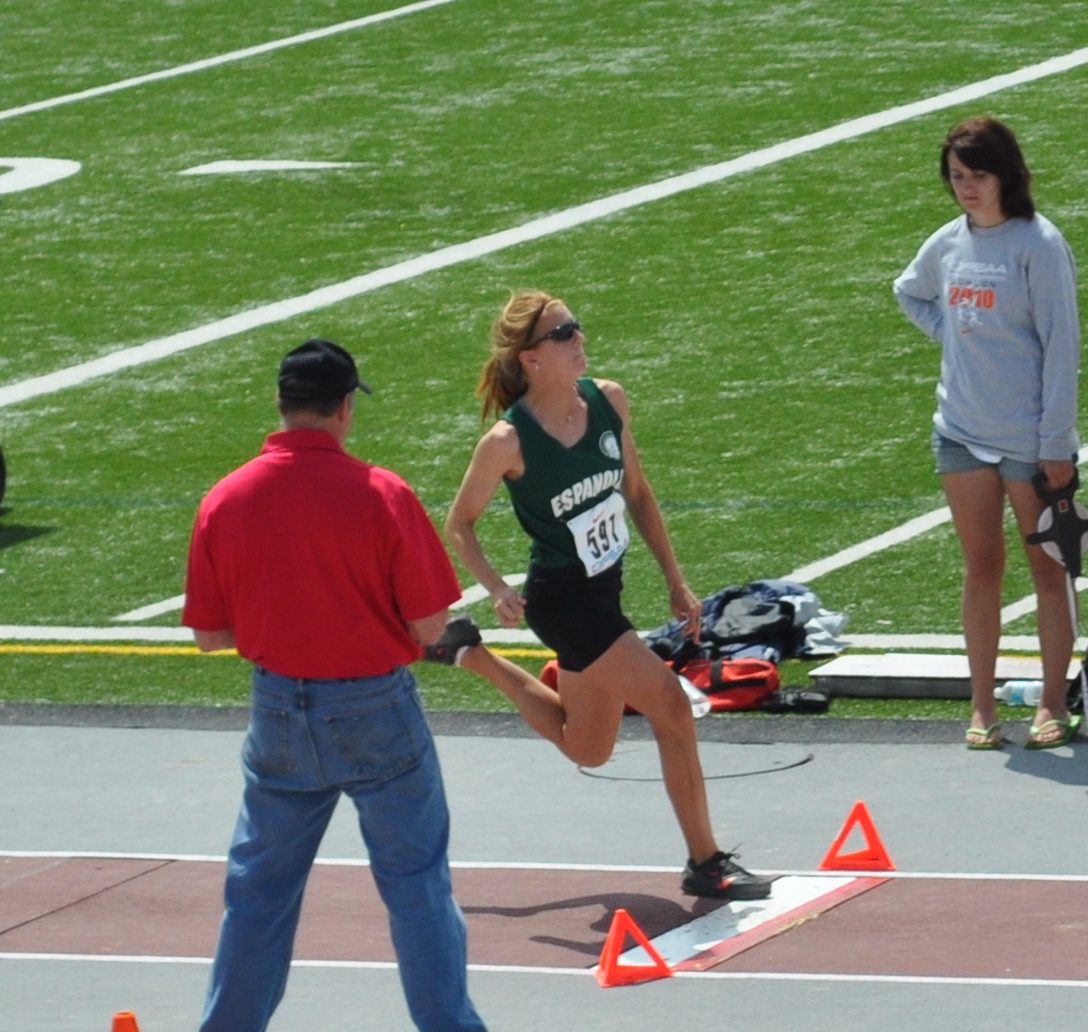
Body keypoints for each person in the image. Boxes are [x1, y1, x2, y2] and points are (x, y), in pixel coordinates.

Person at [425, 289, 774, 901]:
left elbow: (637, 493)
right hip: (563, 601)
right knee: (670, 704)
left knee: (589, 747)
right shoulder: (507, 442)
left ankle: (469, 655)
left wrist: (675, 577)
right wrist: (497, 587)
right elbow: (459, 523)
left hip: (606, 591)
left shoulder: (608, 401)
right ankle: (706, 861)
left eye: (577, 327)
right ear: (531, 358)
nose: (580, 339)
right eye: (564, 334)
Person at [182, 338, 487, 1032]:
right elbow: (429, 622)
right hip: (374, 706)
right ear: (346, 408)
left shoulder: (226, 498)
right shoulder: (382, 493)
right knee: (417, 890)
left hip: (277, 712)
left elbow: (208, 634)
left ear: (281, 405)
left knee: (257, 891)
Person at [894, 117, 1082, 750]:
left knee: (1048, 572)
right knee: (982, 567)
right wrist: (954, 333)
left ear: (1006, 175)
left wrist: (1056, 441)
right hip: (959, 433)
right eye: (956, 178)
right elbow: (909, 292)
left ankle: (1052, 703)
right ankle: (981, 707)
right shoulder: (948, 244)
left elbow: (1062, 346)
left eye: (977, 176)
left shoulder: (1038, 243)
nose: (967, 189)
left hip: (1030, 440)